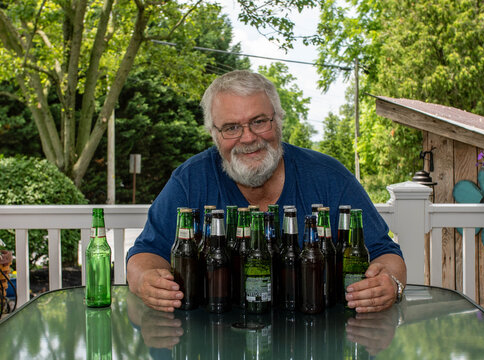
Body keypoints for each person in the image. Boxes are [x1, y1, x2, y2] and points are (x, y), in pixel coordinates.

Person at [126, 70, 407, 313]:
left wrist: (390, 284)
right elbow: (145, 253)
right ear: (214, 134)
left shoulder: (329, 177)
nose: (248, 138)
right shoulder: (190, 180)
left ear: (279, 120)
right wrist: (145, 282)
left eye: (259, 121)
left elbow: (386, 252)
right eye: (231, 127)